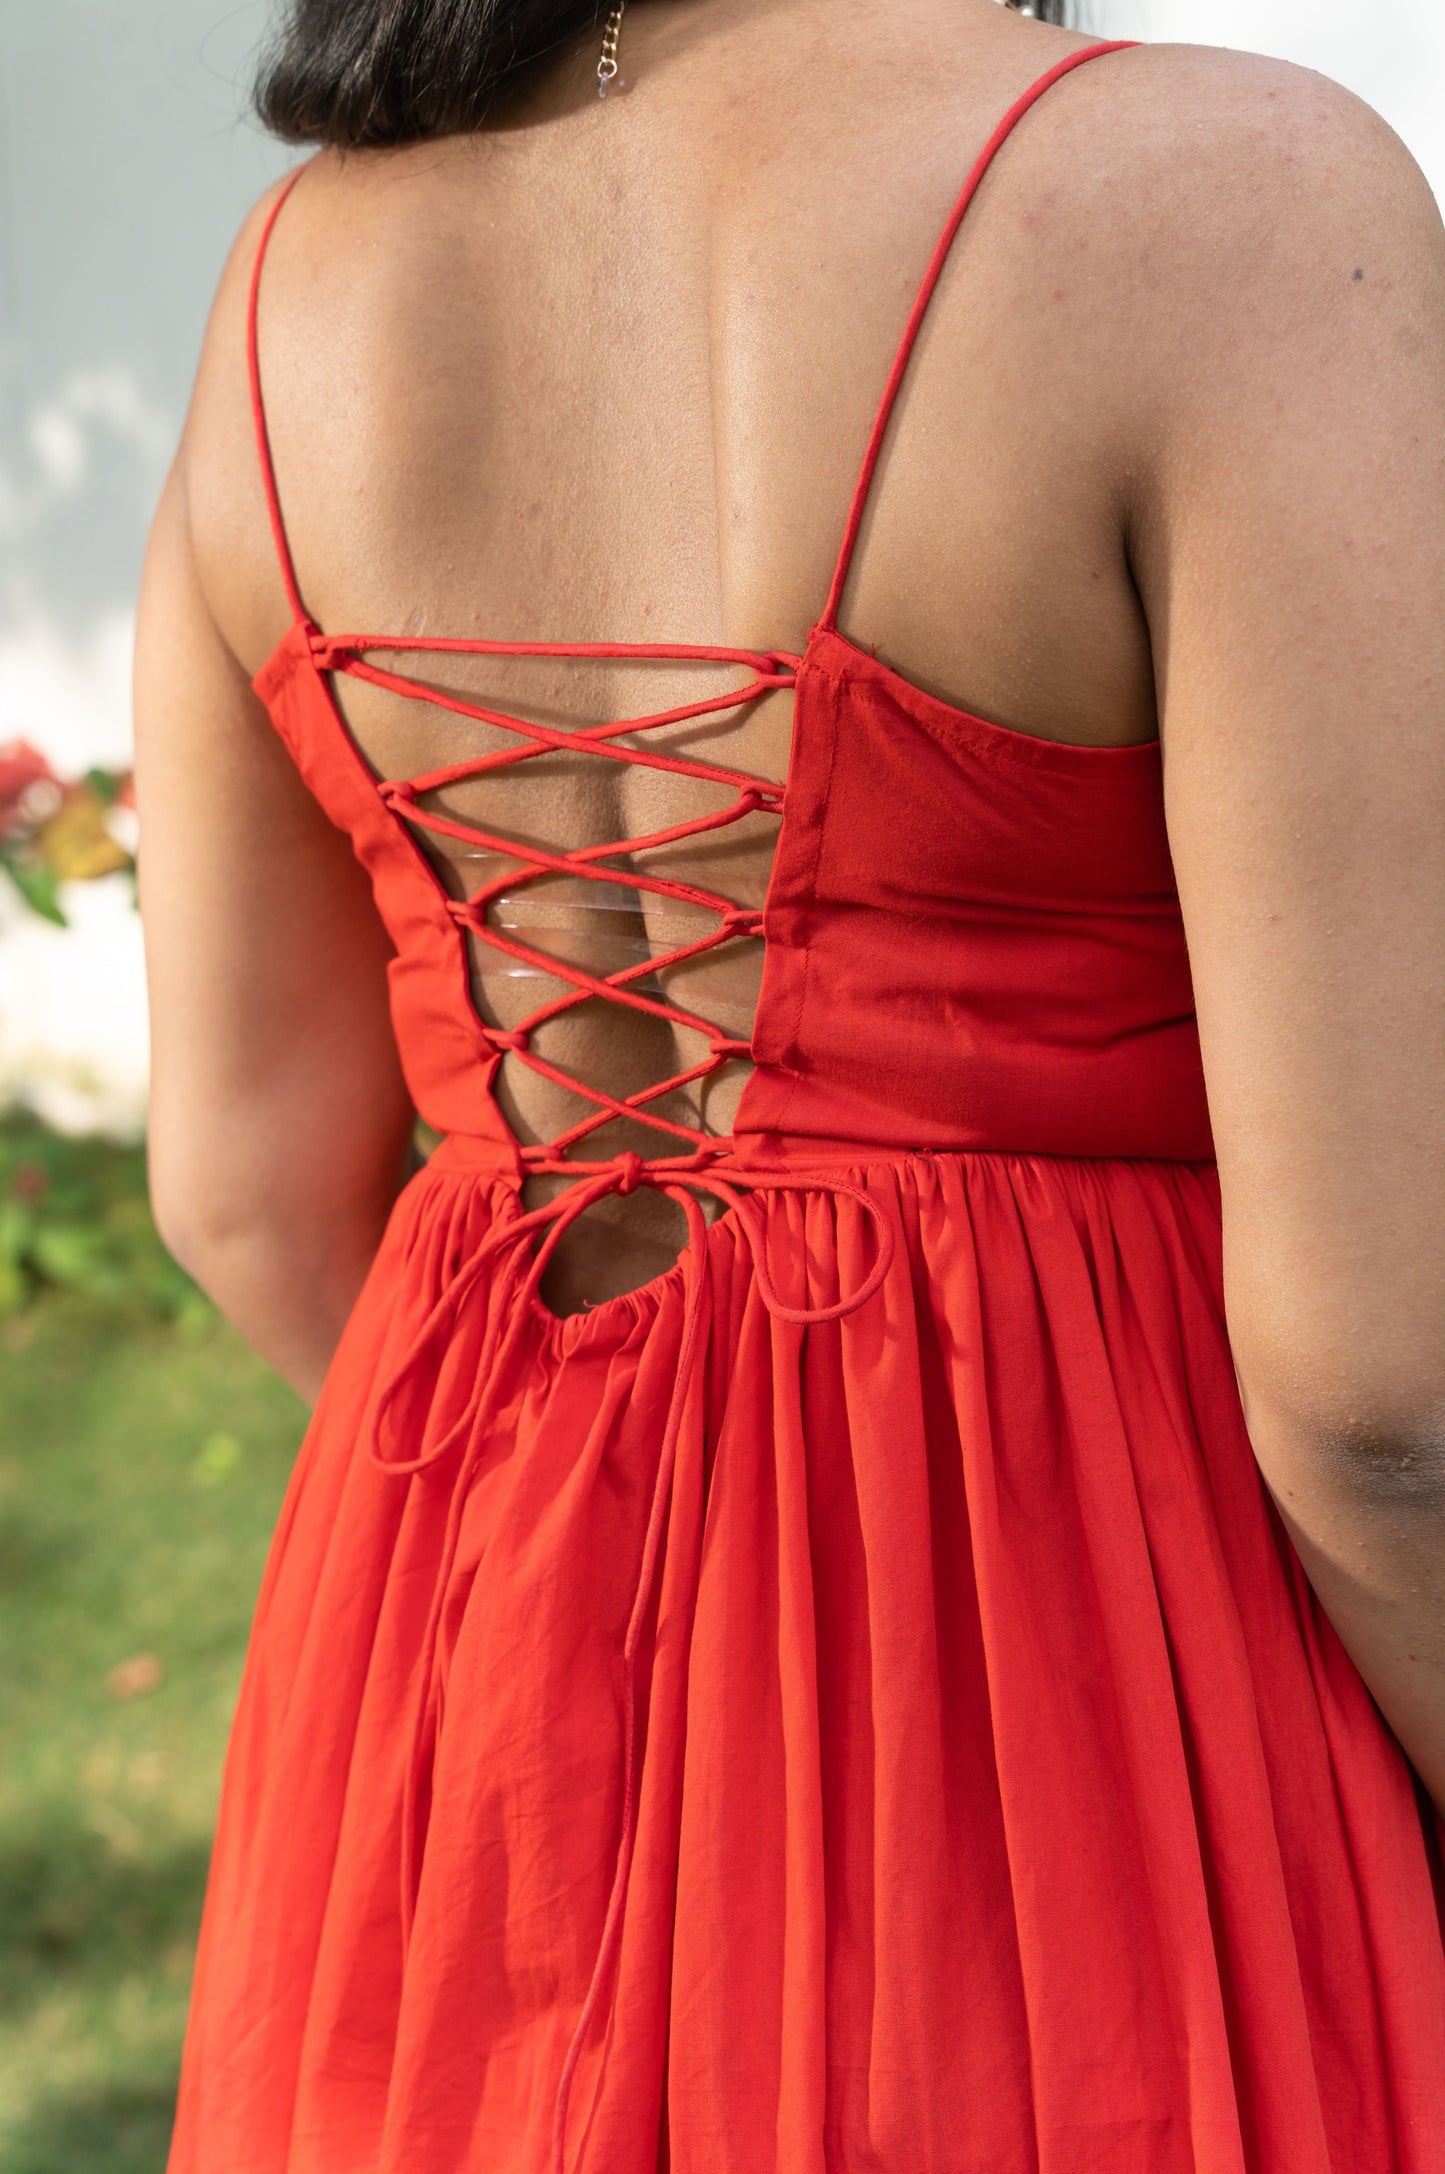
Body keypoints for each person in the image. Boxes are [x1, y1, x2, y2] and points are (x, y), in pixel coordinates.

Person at [135, 0, 1445, 2164]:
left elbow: (250, 1193)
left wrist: (620, 1562)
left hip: (482, 1702)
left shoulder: (288, 288)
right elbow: (1390, 1387)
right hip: (1096, 1729)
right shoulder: (1228, 211)